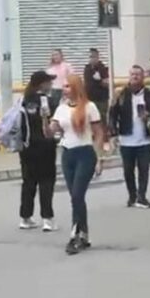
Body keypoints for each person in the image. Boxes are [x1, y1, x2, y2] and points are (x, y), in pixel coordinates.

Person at [50, 75, 106, 255]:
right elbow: (51, 131)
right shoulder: (61, 109)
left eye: (67, 86)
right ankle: (84, 234)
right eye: (63, 86)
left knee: (77, 194)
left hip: (85, 153)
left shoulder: (90, 107)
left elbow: (98, 134)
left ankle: (75, 234)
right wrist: (46, 120)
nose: (64, 89)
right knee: (76, 197)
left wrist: (99, 158)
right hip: (67, 153)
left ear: (76, 87)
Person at [109, 65, 150, 209]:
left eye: (138, 74)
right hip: (126, 139)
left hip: (145, 139)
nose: (135, 77)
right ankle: (132, 196)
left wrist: (148, 118)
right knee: (128, 170)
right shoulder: (121, 94)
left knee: (144, 169)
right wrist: (113, 135)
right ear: (129, 76)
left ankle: (142, 196)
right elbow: (112, 115)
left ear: (143, 77)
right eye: (132, 74)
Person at [18, 71, 59, 232]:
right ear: (42, 83)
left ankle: (25, 217)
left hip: (26, 146)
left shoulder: (23, 100)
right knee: (46, 181)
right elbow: (53, 122)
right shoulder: (46, 101)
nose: (51, 85)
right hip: (45, 146)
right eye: (49, 82)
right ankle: (47, 219)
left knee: (28, 181)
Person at [83, 48, 110, 129]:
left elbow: (107, 83)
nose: (92, 59)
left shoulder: (103, 68)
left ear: (98, 57)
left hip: (101, 98)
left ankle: (104, 136)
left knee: (102, 117)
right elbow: (86, 83)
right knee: (90, 117)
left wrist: (100, 80)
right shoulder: (87, 69)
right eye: (90, 57)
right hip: (89, 98)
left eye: (94, 57)